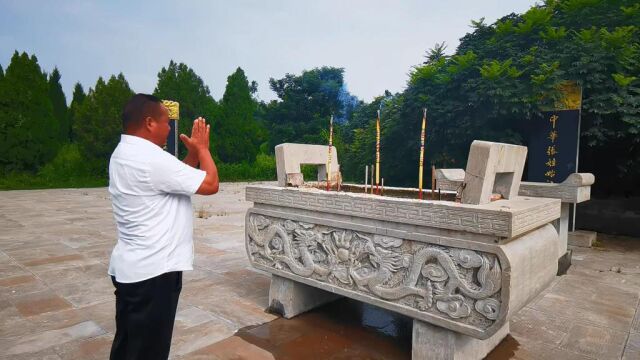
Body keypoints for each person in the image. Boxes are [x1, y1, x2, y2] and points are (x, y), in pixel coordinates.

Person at [107, 94, 219, 359]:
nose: (169, 129)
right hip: (154, 274)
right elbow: (211, 185)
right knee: (149, 351)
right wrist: (203, 149)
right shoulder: (151, 158)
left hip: (133, 269)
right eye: (165, 122)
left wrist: (191, 156)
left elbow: (173, 180)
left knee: (128, 344)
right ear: (149, 123)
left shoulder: (124, 153)